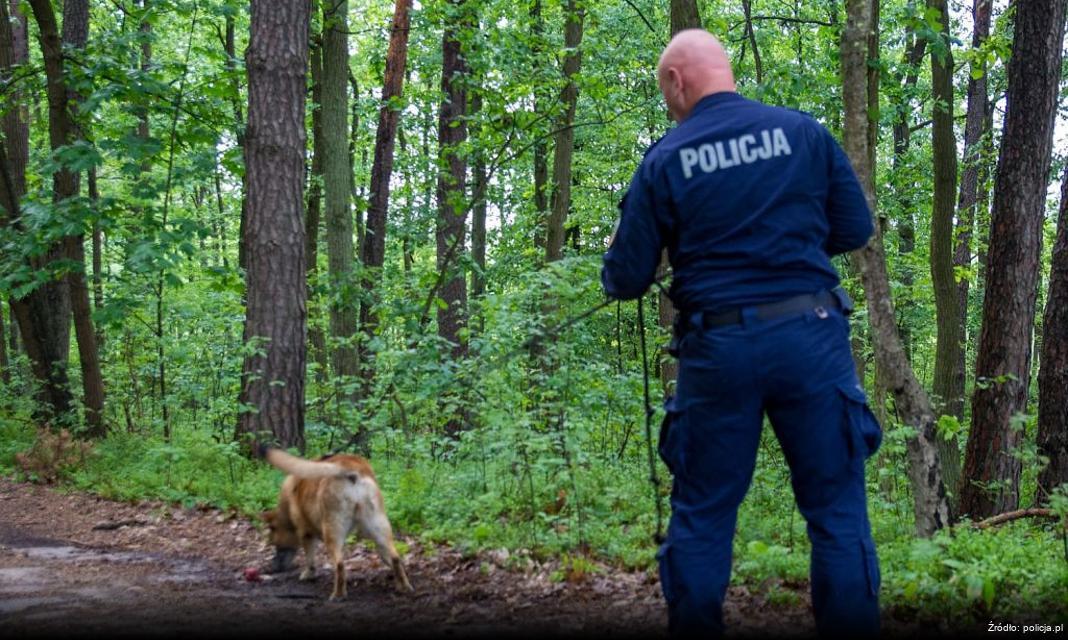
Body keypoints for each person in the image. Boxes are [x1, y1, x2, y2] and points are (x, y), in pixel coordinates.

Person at [601, 29, 883, 636]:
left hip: (717, 349)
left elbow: (624, 279)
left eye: (664, 92)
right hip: (811, 336)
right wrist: (789, 248)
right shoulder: (803, 133)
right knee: (836, 513)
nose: (668, 105)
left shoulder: (666, 159)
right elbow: (854, 228)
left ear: (677, 81)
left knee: (703, 514)